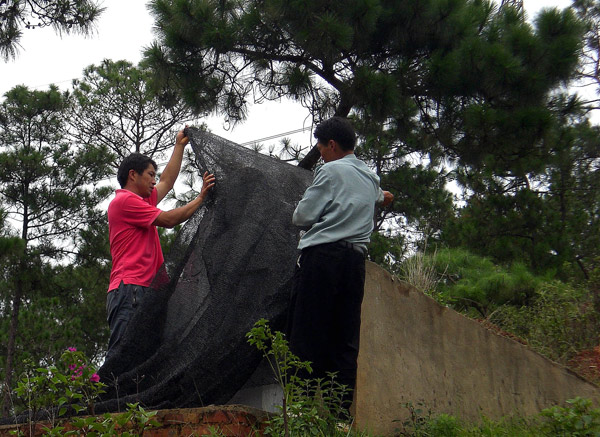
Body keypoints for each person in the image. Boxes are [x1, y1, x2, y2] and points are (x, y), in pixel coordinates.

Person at [288, 116, 393, 411]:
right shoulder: (371, 178)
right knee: (345, 340)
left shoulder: (330, 170)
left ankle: (300, 413)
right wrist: (383, 197)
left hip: (322, 259)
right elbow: (379, 197)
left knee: (308, 334)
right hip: (354, 264)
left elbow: (302, 216)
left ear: (331, 145)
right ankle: (338, 416)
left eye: (321, 147)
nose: (320, 153)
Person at [105, 128, 215, 358]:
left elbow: (168, 181)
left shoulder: (142, 200)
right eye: (150, 175)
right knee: (122, 355)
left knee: (146, 356)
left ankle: (134, 395)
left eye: (155, 175)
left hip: (146, 288)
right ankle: (106, 394)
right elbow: (168, 220)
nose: (155, 181)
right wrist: (200, 198)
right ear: (133, 175)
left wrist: (179, 146)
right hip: (131, 289)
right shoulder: (125, 201)